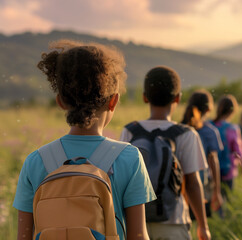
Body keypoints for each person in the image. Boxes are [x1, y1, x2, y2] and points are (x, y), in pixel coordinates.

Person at [13, 40, 156, 240]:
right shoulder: (129, 157)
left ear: (61, 102)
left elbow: (24, 236)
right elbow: (138, 235)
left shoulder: (35, 161)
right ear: (113, 101)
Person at [120, 66, 211, 240]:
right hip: (173, 221)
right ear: (177, 98)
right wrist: (203, 226)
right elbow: (192, 184)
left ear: (144, 97)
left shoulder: (129, 131)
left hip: (135, 223)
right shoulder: (186, 134)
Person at [181, 90, 224, 216]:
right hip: (201, 186)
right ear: (209, 109)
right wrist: (217, 191)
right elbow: (213, 161)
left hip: (181, 185)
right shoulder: (210, 131)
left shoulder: (179, 128)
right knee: (201, 221)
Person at [210, 95, 242, 192]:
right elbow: (239, 151)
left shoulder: (209, 125)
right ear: (232, 111)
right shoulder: (232, 128)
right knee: (226, 199)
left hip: (210, 170)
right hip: (227, 170)